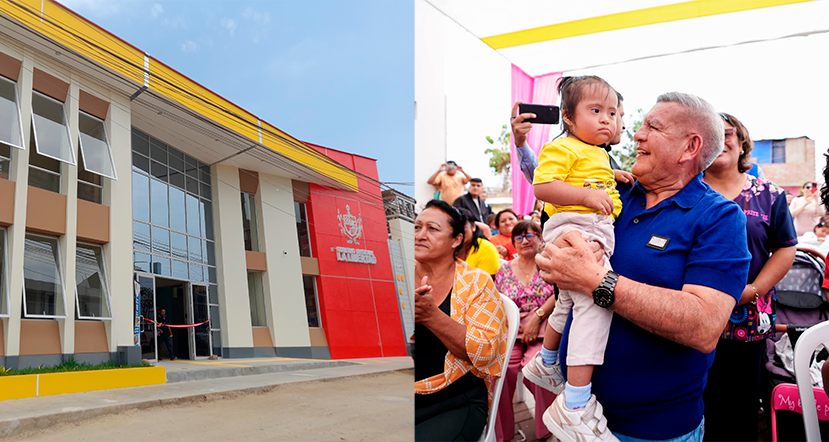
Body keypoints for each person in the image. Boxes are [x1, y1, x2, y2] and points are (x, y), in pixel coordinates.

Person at [534, 92, 751, 441]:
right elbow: (558, 245)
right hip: (580, 421)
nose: (636, 133)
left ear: (689, 147)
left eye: (653, 126)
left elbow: (703, 326)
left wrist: (597, 281)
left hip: (654, 431)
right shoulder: (614, 197)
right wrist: (554, 258)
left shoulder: (719, 217)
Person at [516, 75, 628, 442]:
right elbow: (544, 186)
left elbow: (590, 172)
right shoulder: (562, 147)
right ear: (567, 116)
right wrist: (587, 195)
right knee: (597, 302)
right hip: (575, 224)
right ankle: (575, 404)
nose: (606, 119)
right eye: (595, 111)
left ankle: (547, 361)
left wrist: (612, 174)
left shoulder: (596, 152)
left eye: (612, 112)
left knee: (568, 298)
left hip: (588, 225)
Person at [701, 112, 797, 441]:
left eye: (727, 133)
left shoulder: (769, 195)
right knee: (696, 406)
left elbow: (786, 248)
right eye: (712, 133)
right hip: (690, 316)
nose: (721, 139)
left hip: (747, 321)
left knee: (741, 410)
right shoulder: (684, 192)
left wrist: (754, 289)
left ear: (742, 143)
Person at [414, 199, 507, 442]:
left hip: (454, 399)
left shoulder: (477, 282)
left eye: (432, 229)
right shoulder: (396, 272)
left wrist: (431, 316)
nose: (421, 235)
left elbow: (486, 351)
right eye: (417, 227)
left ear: (456, 240)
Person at [493, 220, 557, 442]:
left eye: (530, 235)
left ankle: (545, 428)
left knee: (537, 369)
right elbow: (496, 303)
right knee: (499, 372)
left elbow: (560, 294)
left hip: (543, 329)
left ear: (540, 239)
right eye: (519, 237)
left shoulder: (550, 264)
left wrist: (536, 317)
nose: (525, 241)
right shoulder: (502, 270)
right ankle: (502, 434)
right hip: (512, 333)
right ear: (513, 243)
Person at [457, 207, 501, 277]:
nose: (459, 231)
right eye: (454, 227)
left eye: (463, 227)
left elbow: (487, 284)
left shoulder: (486, 249)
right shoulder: (446, 248)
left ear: (473, 227)